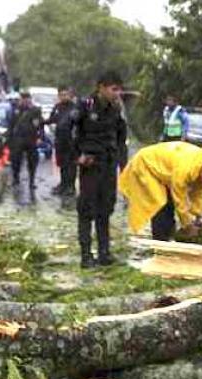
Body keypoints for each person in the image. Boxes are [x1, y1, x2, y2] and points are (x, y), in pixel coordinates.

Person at [71, 71, 129, 268]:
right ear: (101, 87)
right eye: (114, 89)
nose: (117, 93)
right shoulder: (85, 106)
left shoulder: (116, 107)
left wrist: (123, 165)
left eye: (119, 89)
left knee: (105, 208)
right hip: (90, 164)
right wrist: (76, 156)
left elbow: (122, 137)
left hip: (109, 164)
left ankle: (104, 253)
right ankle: (86, 255)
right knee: (87, 209)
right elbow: (65, 131)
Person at [119, 141, 202, 242]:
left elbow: (198, 194)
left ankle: (169, 235)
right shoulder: (184, 169)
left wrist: (198, 216)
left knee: (168, 202)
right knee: (160, 203)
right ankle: (161, 240)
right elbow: (179, 200)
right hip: (146, 164)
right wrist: (187, 225)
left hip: (165, 168)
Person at [8, 91, 44, 194]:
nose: (24, 101)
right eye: (22, 99)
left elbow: (40, 125)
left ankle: (32, 181)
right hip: (18, 138)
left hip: (31, 137)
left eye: (26, 99)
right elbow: (11, 124)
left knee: (32, 161)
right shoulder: (16, 110)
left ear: (29, 99)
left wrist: (40, 137)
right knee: (16, 160)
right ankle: (16, 179)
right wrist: (9, 138)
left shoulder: (35, 110)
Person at [48, 87, 78, 196]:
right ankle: (63, 184)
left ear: (70, 95)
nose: (64, 97)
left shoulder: (75, 108)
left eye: (66, 94)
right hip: (60, 139)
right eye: (61, 95)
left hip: (71, 140)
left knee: (71, 164)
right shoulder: (57, 107)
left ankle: (71, 186)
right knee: (61, 163)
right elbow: (51, 119)